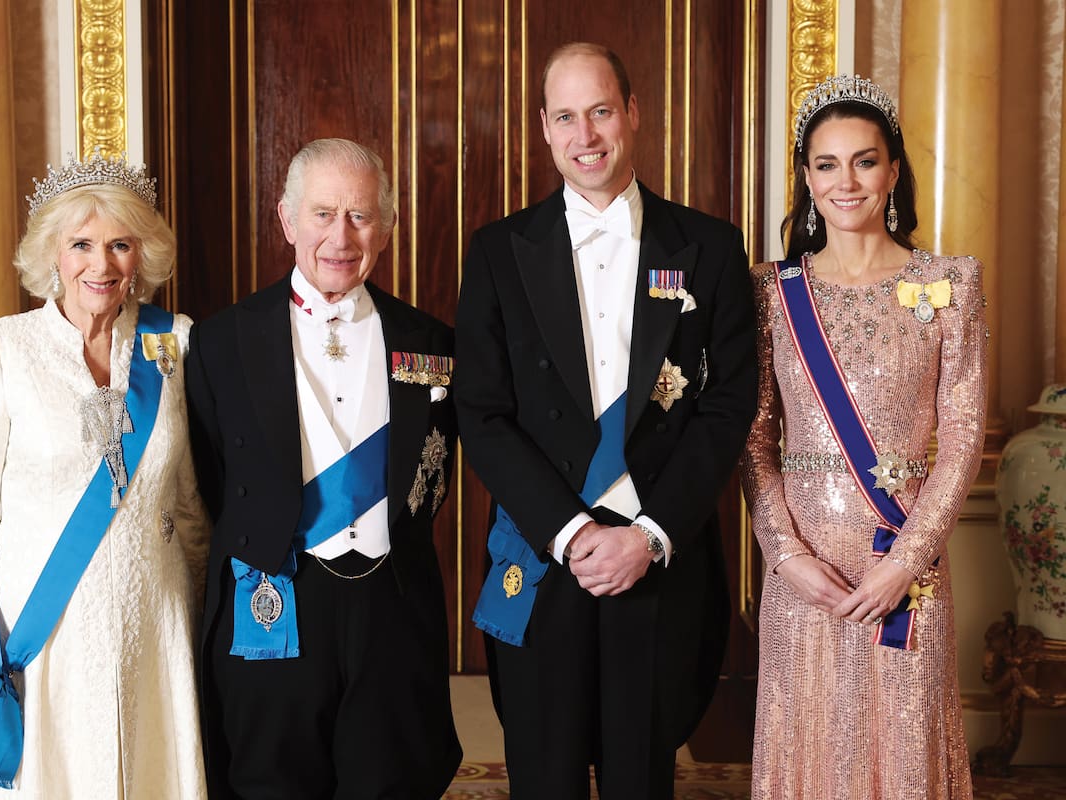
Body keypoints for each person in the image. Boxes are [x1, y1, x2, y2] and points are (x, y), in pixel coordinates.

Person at [455, 42, 758, 799]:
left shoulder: (710, 247)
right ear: (544, 128)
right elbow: (481, 412)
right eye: (565, 117)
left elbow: (727, 406)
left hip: (656, 554)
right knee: (543, 779)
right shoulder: (497, 251)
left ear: (633, 113)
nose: (585, 135)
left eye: (600, 111)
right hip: (546, 550)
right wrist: (572, 533)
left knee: (641, 778)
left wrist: (648, 535)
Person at [186, 138, 461, 799]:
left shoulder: (431, 344)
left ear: (386, 228)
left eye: (360, 216)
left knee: (391, 782)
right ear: (287, 220)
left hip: (391, 606)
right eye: (323, 214)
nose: (341, 237)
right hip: (274, 595)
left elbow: (434, 475)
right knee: (270, 783)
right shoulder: (221, 341)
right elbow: (209, 481)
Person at [0, 151, 209, 797]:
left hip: (154, 622)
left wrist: (202, 622)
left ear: (142, 256)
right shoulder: (0, 349)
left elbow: (189, 503)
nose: (101, 265)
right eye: (81, 244)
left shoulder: (174, 344)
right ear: (51, 255)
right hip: (42, 630)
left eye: (120, 245)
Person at [741, 74, 984, 799]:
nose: (845, 182)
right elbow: (755, 439)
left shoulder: (951, 282)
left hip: (904, 561)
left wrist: (905, 562)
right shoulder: (771, 291)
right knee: (810, 740)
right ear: (806, 178)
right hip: (804, 568)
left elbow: (964, 436)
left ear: (893, 171)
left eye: (864, 161)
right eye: (827, 164)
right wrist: (785, 555)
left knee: (902, 746)